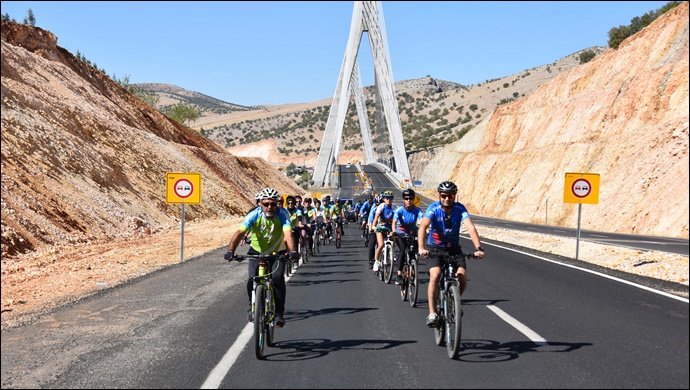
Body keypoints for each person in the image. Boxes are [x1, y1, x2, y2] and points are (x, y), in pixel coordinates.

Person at [225, 187, 298, 328]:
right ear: (260, 204)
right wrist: (230, 251)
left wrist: (293, 251)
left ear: (277, 204)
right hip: (256, 252)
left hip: (277, 253)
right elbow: (240, 232)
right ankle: (252, 307)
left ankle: (278, 314)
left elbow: (288, 234)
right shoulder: (254, 214)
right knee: (252, 279)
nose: (269, 207)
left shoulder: (283, 214)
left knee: (277, 279)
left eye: (273, 204)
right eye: (266, 204)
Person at [417, 180, 485, 327]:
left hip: (453, 248)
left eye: (451, 196)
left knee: (462, 277)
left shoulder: (460, 209)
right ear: (439, 196)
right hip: (435, 248)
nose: (447, 198)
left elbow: (471, 228)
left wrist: (478, 248)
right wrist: (421, 248)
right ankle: (432, 313)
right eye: (444, 195)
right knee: (435, 275)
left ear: (455, 196)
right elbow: (423, 226)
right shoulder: (433, 209)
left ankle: (455, 302)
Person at [392, 188, 423, 285]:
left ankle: (412, 272)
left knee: (414, 253)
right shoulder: (399, 210)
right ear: (403, 199)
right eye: (406, 198)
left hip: (413, 233)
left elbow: (422, 222)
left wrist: (425, 231)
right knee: (403, 250)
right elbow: (394, 222)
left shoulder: (418, 210)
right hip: (400, 233)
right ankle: (399, 275)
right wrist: (394, 232)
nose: (408, 200)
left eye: (411, 198)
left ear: (414, 199)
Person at [372, 190, 397, 272]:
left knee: (394, 237)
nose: (388, 200)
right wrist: (373, 226)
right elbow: (376, 218)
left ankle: (392, 253)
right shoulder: (381, 206)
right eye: (387, 198)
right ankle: (376, 261)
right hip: (380, 228)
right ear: (383, 199)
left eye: (390, 198)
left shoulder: (394, 208)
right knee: (381, 244)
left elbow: (397, 220)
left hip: (389, 228)